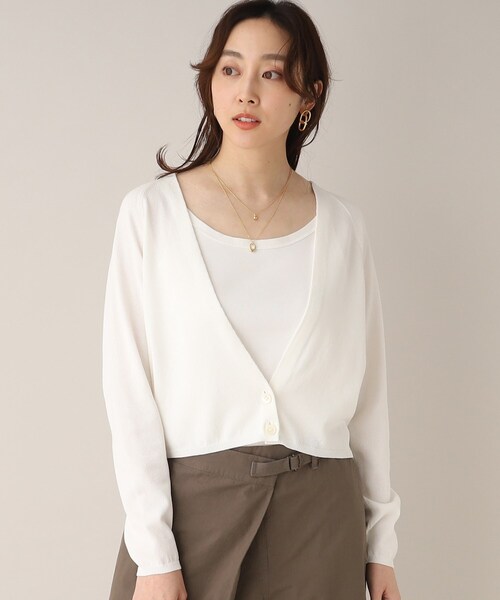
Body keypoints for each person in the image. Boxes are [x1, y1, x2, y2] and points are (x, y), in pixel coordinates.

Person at [102, 1, 402, 599]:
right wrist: (154, 554)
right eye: (230, 69)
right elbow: (129, 393)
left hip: (322, 521)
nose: (246, 92)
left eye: (271, 73)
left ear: (308, 95)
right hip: (193, 518)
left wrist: (382, 546)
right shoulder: (151, 216)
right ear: (210, 83)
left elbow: (369, 399)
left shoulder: (343, 226)